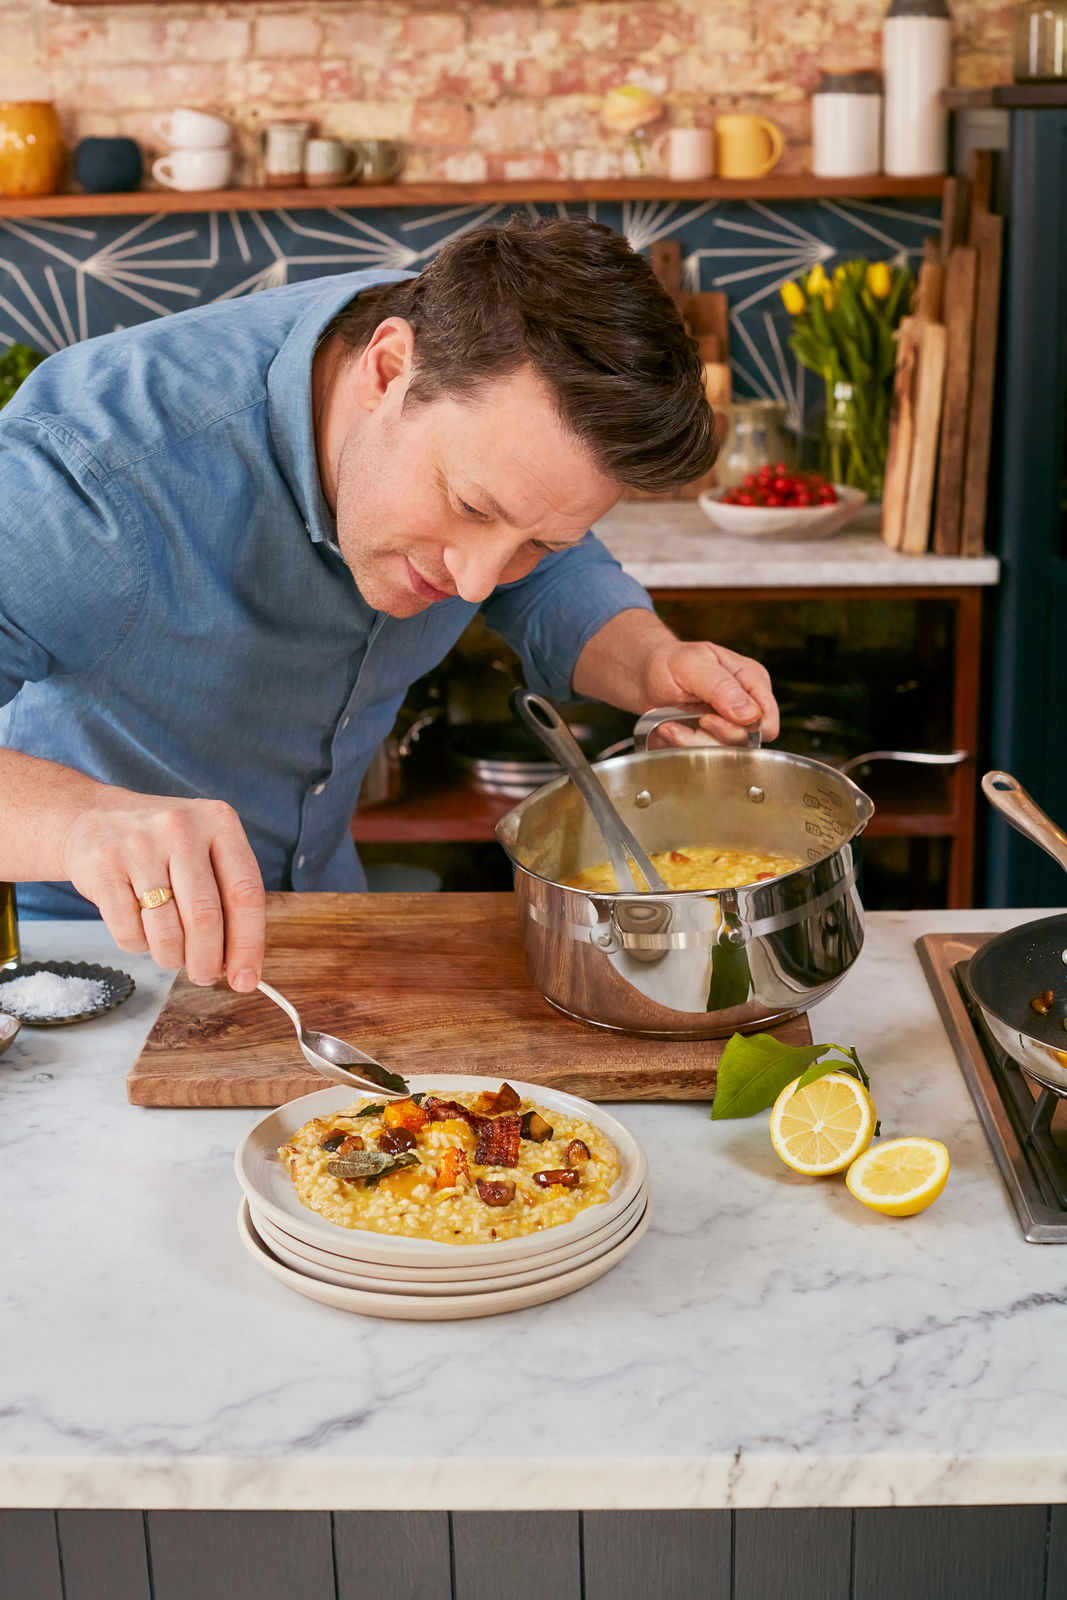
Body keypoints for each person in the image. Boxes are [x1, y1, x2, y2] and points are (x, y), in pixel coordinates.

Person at [0, 215, 778, 992]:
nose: (476, 583)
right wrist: (81, 824)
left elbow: (537, 552)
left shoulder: (472, 374)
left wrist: (646, 658)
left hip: (324, 926)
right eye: (471, 508)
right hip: (80, 961)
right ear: (386, 371)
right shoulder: (88, 476)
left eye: (536, 540)